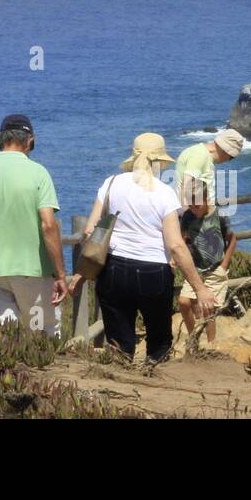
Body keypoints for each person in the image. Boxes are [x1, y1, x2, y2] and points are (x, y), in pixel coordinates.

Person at [68, 133, 215, 364]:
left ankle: (117, 389)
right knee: (159, 345)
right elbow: (176, 245)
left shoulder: (111, 183)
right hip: (154, 273)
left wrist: (80, 274)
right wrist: (200, 288)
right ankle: (155, 388)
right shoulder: (165, 194)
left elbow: (90, 231)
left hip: (114, 269)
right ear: (160, 162)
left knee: (119, 345)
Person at [0, 114, 67, 337]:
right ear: (30, 141)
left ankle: (12, 372)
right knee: (43, 332)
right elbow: (49, 225)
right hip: (33, 271)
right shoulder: (38, 173)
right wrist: (60, 275)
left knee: (2, 335)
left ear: (0, 139)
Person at [177, 198, 236, 342]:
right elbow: (181, 240)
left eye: (197, 205)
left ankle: (210, 345)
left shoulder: (219, 215)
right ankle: (193, 339)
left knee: (209, 309)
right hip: (196, 269)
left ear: (206, 199)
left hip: (216, 268)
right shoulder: (187, 216)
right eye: (191, 206)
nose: (194, 209)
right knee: (183, 301)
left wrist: (224, 265)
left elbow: (232, 238)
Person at [174, 128, 244, 208]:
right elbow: (186, 187)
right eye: (231, 157)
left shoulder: (202, 154)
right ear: (225, 151)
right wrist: (187, 216)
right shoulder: (200, 155)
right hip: (196, 215)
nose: (228, 160)